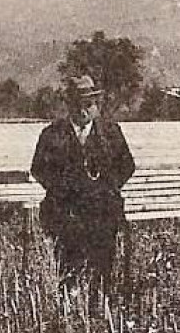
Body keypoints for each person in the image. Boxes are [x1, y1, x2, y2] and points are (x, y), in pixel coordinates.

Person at [28, 74, 137, 296]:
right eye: (77, 105)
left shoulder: (110, 133)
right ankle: (70, 312)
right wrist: (63, 189)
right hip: (67, 215)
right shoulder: (52, 135)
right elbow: (39, 169)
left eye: (89, 104)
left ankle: (100, 308)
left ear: (97, 105)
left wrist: (106, 188)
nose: (83, 110)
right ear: (68, 105)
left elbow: (127, 166)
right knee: (68, 268)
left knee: (102, 267)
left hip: (102, 214)